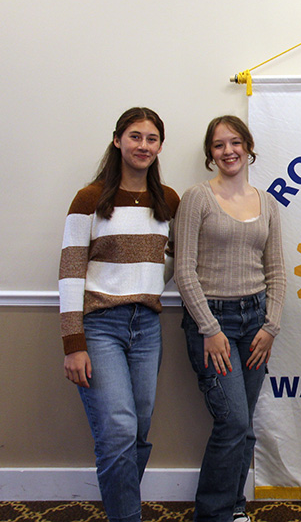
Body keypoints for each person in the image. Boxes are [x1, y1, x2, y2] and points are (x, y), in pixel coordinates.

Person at [59, 107, 180, 522]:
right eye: (134, 136)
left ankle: (121, 506)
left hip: (146, 326)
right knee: (118, 432)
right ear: (117, 141)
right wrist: (73, 344)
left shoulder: (169, 200)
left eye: (151, 138)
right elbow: (71, 269)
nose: (143, 145)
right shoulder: (89, 199)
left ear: (160, 146)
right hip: (100, 327)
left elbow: (175, 258)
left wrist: (148, 279)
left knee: (138, 432)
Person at [175, 115, 286, 522]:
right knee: (233, 422)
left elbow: (276, 270)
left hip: (256, 322)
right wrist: (210, 329)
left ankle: (235, 508)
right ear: (210, 154)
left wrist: (271, 326)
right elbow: (184, 271)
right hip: (212, 323)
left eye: (235, 142)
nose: (229, 151)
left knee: (245, 425)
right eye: (219, 145)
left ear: (248, 146)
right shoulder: (197, 199)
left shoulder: (267, 202)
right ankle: (213, 514)